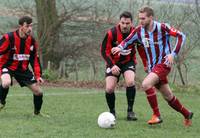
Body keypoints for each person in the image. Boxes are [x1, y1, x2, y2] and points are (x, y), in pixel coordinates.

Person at [111, 6, 193, 126]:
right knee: (168, 96)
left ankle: (157, 115)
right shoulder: (139, 31)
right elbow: (127, 41)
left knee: (145, 84)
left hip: (164, 64)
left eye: (143, 18)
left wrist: (173, 54)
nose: (141, 21)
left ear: (151, 17)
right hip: (152, 68)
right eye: (139, 18)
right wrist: (119, 47)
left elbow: (181, 36)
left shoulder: (162, 27)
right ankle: (187, 114)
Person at [100, 11, 147, 121]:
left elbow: (141, 50)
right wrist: (112, 65)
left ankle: (130, 112)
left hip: (128, 62)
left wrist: (146, 64)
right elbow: (104, 51)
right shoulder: (111, 33)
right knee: (109, 88)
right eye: (123, 23)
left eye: (127, 23)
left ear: (131, 23)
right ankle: (112, 113)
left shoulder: (136, 33)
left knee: (130, 82)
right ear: (119, 22)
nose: (125, 25)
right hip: (113, 63)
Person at [0, 16, 47, 117]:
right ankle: (1, 102)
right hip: (7, 66)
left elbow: (34, 60)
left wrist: (38, 75)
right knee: (6, 82)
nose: (30, 28)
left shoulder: (32, 41)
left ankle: (37, 113)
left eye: (31, 26)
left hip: (23, 69)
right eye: (27, 26)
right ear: (21, 26)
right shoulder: (9, 37)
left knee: (38, 92)